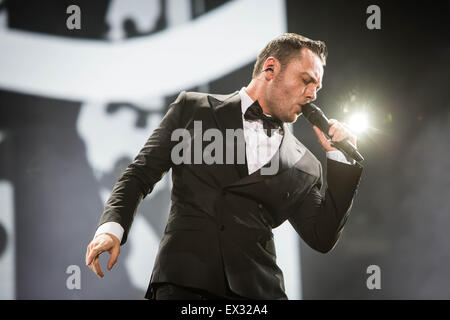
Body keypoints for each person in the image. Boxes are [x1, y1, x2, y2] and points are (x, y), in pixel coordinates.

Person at [85, 33, 363, 300]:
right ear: (270, 68)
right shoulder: (193, 109)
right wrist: (112, 229)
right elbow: (139, 174)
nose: (312, 94)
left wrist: (341, 160)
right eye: (306, 80)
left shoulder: (306, 164)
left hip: (260, 291)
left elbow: (322, 237)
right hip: (186, 283)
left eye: (317, 87)